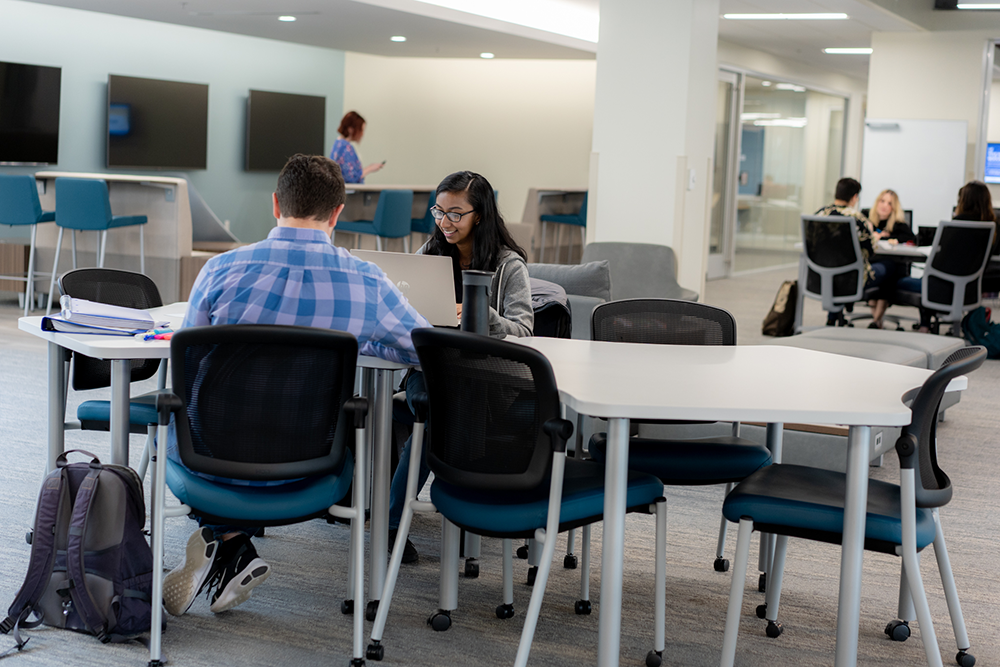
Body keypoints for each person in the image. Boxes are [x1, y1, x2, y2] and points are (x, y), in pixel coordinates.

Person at [162, 154, 431, 617]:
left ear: (274, 204)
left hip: (210, 460)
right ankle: (229, 547)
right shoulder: (367, 282)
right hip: (311, 468)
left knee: (181, 416)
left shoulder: (219, 270)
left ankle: (228, 540)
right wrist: (368, 341)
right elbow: (423, 349)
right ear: (337, 212)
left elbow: (186, 360)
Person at [387, 170, 533, 563]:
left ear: (479, 216)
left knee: (434, 418)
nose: (444, 222)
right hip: (431, 370)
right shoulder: (428, 256)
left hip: (488, 380)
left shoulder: (508, 266)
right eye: (439, 211)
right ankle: (444, 518)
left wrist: (480, 314)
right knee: (438, 408)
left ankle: (392, 525)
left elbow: (524, 331)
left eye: (455, 213)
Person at [897, 180, 998, 332]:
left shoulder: (954, 226)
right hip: (970, 291)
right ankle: (927, 325)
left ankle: (924, 325)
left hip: (940, 291)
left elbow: (939, 263)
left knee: (901, 281)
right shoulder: (992, 228)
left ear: (962, 201)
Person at [814, 177, 894, 328]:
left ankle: (833, 318)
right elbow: (871, 250)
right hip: (850, 280)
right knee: (889, 266)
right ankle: (877, 320)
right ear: (854, 197)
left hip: (821, 277)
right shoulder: (857, 219)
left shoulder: (818, 215)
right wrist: (873, 235)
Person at [329, 111, 383, 184]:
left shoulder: (338, 144)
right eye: (361, 130)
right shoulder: (345, 147)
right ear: (351, 129)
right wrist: (370, 168)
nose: (362, 134)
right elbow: (351, 178)